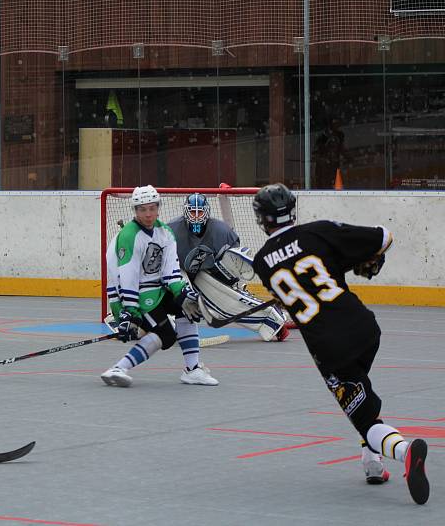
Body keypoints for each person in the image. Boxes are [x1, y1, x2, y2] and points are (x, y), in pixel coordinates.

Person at [251, 183, 429, 504]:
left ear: (262, 220)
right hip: (363, 327)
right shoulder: (319, 232)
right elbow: (384, 237)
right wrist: (365, 260)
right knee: (361, 393)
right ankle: (371, 463)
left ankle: (404, 453)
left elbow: (293, 294)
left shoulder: (262, 261)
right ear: (292, 209)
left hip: (330, 348)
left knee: (362, 414)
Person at [102, 185, 218, 387]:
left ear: (158, 207)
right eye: (142, 209)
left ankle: (193, 370)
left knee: (186, 309)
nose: (148, 214)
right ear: (135, 211)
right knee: (166, 335)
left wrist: (181, 292)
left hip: (159, 289)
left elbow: (170, 271)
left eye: (152, 208)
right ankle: (118, 368)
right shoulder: (130, 236)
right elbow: (124, 277)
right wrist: (126, 310)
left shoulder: (165, 233)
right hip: (137, 294)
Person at [168, 192, 289, 342]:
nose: (196, 216)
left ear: (207, 212)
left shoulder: (222, 232)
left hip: (204, 273)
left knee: (226, 299)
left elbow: (231, 263)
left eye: (200, 212)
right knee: (178, 298)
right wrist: (179, 290)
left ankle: (272, 322)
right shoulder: (170, 231)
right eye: (193, 211)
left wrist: (232, 284)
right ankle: (149, 324)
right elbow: (161, 266)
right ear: (186, 211)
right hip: (176, 271)